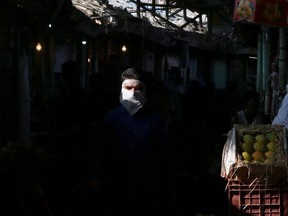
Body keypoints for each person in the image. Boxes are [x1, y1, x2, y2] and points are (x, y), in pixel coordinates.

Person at [96, 67, 176, 216]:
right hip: (117, 189)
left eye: (138, 87)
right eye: (128, 87)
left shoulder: (155, 120)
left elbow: (164, 156)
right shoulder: (111, 119)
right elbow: (100, 152)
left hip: (147, 190)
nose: (133, 92)